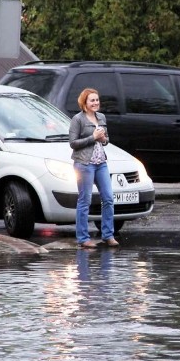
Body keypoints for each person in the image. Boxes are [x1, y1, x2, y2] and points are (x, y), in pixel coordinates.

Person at [69, 88, 118, 248]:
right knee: (85, 200)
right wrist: (93, 137)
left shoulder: (101, 117)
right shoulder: (78, 119)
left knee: (108, 198)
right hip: (84, 164)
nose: (96, 103)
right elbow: (73, 143)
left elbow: (106, 140)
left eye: (97, 100)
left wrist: (103, 139)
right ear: (84, 102)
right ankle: (83, 238)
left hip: (101, 162)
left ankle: (108, 235)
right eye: (92, 100)